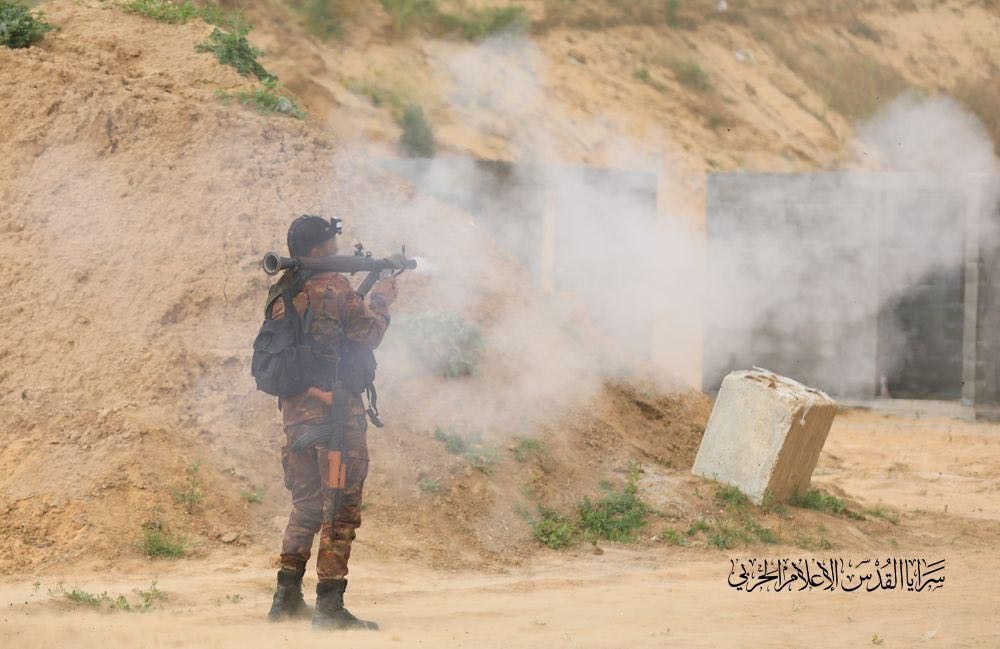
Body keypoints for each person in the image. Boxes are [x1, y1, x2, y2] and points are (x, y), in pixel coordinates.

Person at [264, 215, 397, 630]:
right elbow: (369, 334)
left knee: (304, 507)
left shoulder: (283, 288)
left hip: (297, 418)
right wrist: (382, 299)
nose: (337, 247)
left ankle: (286, 598)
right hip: (335, 418)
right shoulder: (334, 287)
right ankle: (329, 606)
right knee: (339, 510)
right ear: (320, 248)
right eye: (332, 242)